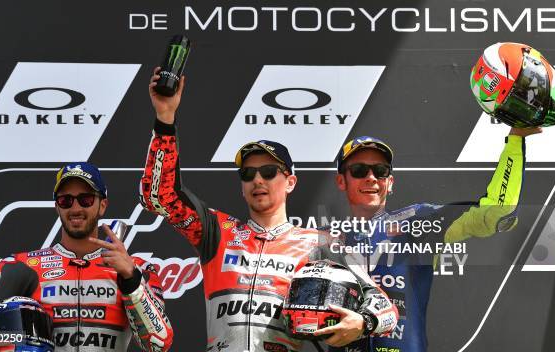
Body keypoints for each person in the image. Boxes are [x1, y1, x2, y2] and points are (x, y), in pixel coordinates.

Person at [138, 68, 398, 352]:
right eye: (248, 174)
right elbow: (160, 195)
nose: (257, 179)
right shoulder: (218, 232)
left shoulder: (321, 243)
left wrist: (362, 323)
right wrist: (165, 118)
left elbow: (384, 306)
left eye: (269, 171)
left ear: (290, 182)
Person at [327, 127, 540, 352]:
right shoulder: (324, 239)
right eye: (359, 170)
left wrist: (516, 139)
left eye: (380, 171)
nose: (371, 178)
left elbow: (496, 212)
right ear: (341, 181)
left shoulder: (419, 222)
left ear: (390, 183)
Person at [0, 162, 173, 352]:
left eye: (86, 199)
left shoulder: (136, 268)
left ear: (102, 205)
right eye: (65, 200)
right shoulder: (23, 266)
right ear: (57, 206)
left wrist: (130, 279)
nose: (75, 207)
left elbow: (159, 343)